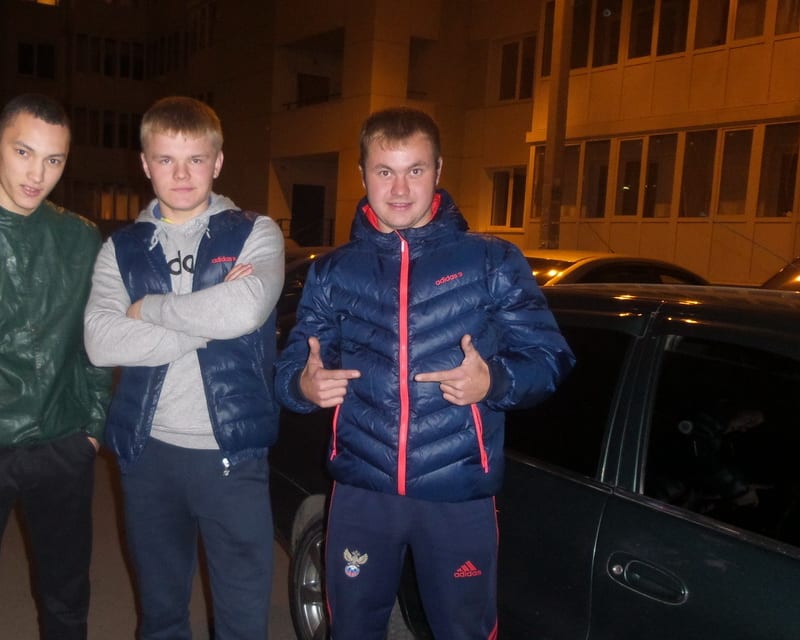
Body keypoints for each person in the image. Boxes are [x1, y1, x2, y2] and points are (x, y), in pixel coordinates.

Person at [275, 107, 574, 639]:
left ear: (438, 170)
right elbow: (293, 366)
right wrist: (303, 384)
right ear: (362, 175)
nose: (399, 189)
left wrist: (494, 382)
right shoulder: (333, 271)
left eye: (414, 170)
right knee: (352, 630)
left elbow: (550, 359)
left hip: (458, 491)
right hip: (362, 490)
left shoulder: (491, 261)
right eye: (384, 171)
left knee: (463, 631)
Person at [83, 96, 284, 639]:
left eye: (195, 159)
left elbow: (245, 310)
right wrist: (212, 318)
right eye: (166, 160)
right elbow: (101, 341)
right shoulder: (122, 248)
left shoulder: (255, 231)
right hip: (147, 455)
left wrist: (147, 309)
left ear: (217, 162)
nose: (181, 174)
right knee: (162, 617)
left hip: (233, 455)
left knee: (243, 623)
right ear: (144, 164)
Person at [0, 93, 111, 639]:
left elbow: (96, 342)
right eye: (23, 152)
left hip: (60, 442)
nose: (36, 174)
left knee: (66, 598)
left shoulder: (79, 238)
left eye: (54, 160)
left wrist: (92, 427)